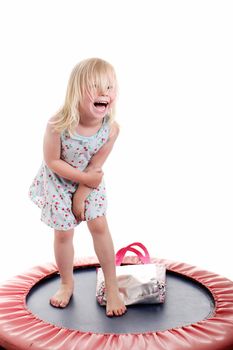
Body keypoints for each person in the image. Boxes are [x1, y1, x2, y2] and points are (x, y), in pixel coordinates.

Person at [28, 57, 127, 317]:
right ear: (76, 92)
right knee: (63, 233)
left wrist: (82, 194)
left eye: (109, 87)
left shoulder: (111, 130)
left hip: (89, 179)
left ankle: (113, 286)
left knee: (99, 225)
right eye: (95, 86)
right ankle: (66, 283)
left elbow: (95, 167)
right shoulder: (58, 125)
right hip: (59, 180)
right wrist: (79, 186)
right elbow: (52, 161)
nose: (105, 92)